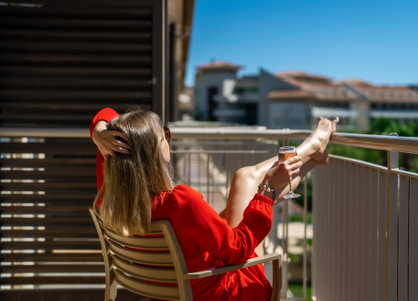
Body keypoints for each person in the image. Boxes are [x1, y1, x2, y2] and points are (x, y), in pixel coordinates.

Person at [90, 107, 338, 301]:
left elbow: (104, 114)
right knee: (246, 179)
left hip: (171, 290)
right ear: (154, 151)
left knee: (243, 186)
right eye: (164, 135)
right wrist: (268, 192)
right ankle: (311, 149)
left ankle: (312, 156)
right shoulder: (180, 202)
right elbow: (239, 249)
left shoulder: (108, 195)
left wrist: (100, 132)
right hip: (221, 293)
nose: (168, 139)